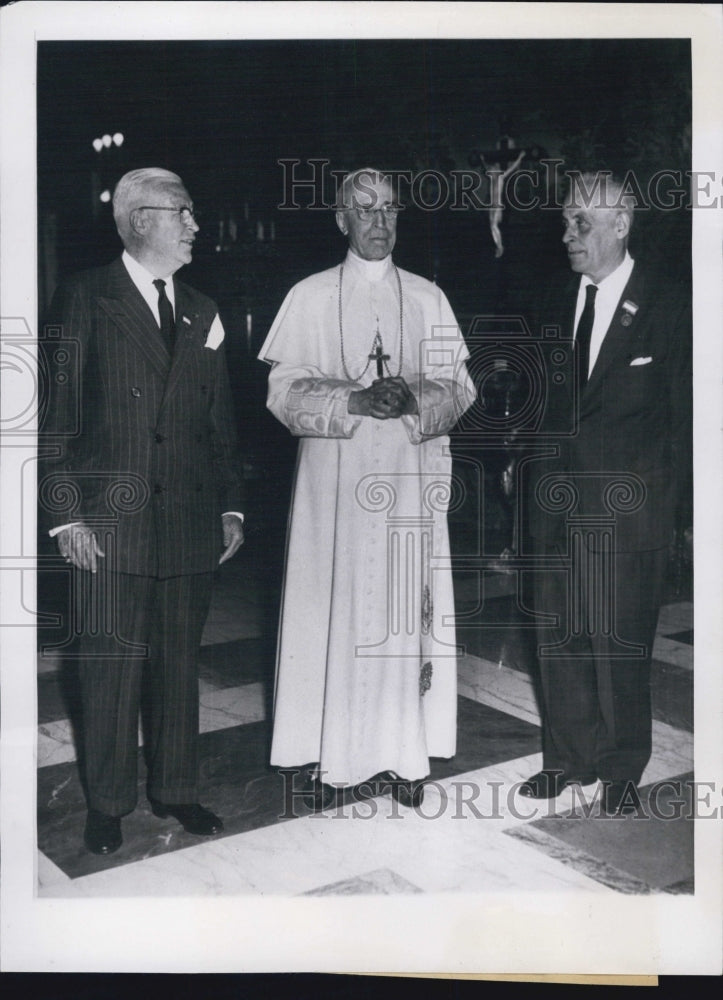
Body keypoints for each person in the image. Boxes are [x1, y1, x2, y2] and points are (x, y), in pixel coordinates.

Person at [40, 168, 245, 854]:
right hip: (109, 524)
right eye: (182, 212)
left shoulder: (205, 311)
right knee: (106, 669)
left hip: (187, 519)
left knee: (177, 666)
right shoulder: (82, 298)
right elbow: (56, 422)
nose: (194, 225)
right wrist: (67, 518)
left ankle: (177, 789)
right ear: (138, 221)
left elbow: (221, 424)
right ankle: (107, 802)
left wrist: (232, 508)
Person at [258, 168, 476, 809]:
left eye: (389, 209)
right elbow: (282, 391)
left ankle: (403, 754)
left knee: (402, 612)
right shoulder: (310, 296)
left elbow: (461, 387)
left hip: (408, 485)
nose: (379, 222)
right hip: (334, 486)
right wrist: (354, 397)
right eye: (365, 210)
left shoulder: (430, 298)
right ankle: (316, 748)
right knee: (328, 606)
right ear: (341, 220)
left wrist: (411, 394)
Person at [520, 171, 692, 815]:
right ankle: (567, 757)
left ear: (621, 226)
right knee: (557, 630)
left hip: (631, 510)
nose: (568, 236)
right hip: (553, 502)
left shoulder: (671, 304)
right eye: (566, 223)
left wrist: (688, 516)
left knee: (618, 636)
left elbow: (689, 419)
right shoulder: (553, 299)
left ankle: (621, 764)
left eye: (581, 224)